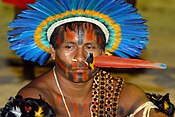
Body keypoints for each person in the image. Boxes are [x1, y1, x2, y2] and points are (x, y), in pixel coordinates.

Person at [1, 0, 174, 116]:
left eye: (90, 47)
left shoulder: (120, 93)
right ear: (52, 51)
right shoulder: (37, 100)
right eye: (69, 47)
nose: (80, 57)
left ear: (104, 52)